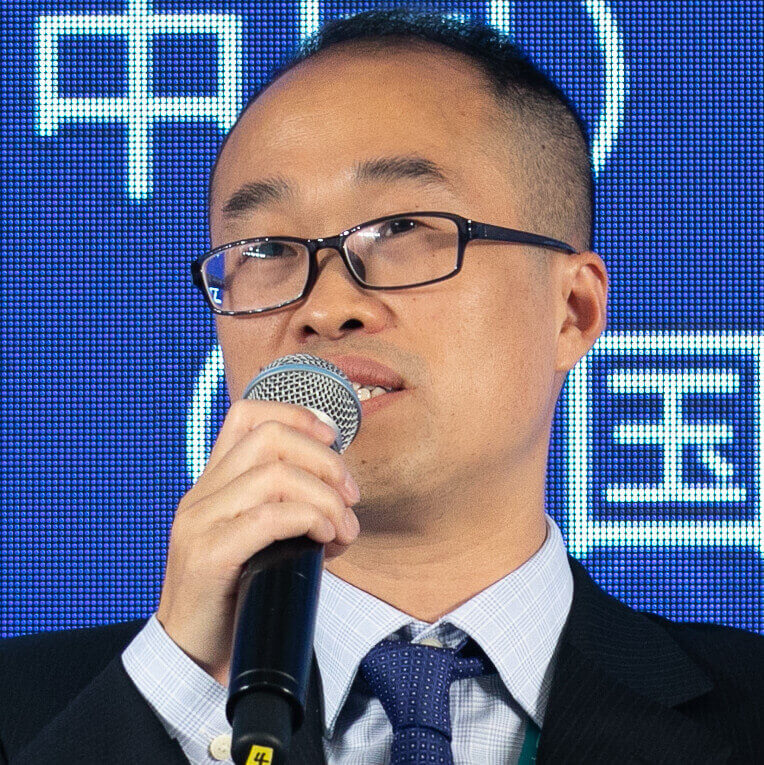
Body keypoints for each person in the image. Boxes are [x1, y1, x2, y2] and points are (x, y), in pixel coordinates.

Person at [1, 8, 762, 764]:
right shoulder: (34, 716)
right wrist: (176, 691)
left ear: (572, 311)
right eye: (265, 248)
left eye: (400, 228)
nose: (325, 306)